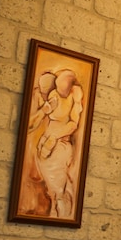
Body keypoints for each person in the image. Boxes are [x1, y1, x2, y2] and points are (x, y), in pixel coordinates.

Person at [22, 67, 84, 218]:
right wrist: (45, 109)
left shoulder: (74, 97)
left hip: (59, 147)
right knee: (52, 191)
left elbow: (73, 124)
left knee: (58, 191)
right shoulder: (51, 95)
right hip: (46, 146)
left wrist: (55, 136)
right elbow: (29, 125)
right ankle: (56, 214)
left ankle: (61, 216)